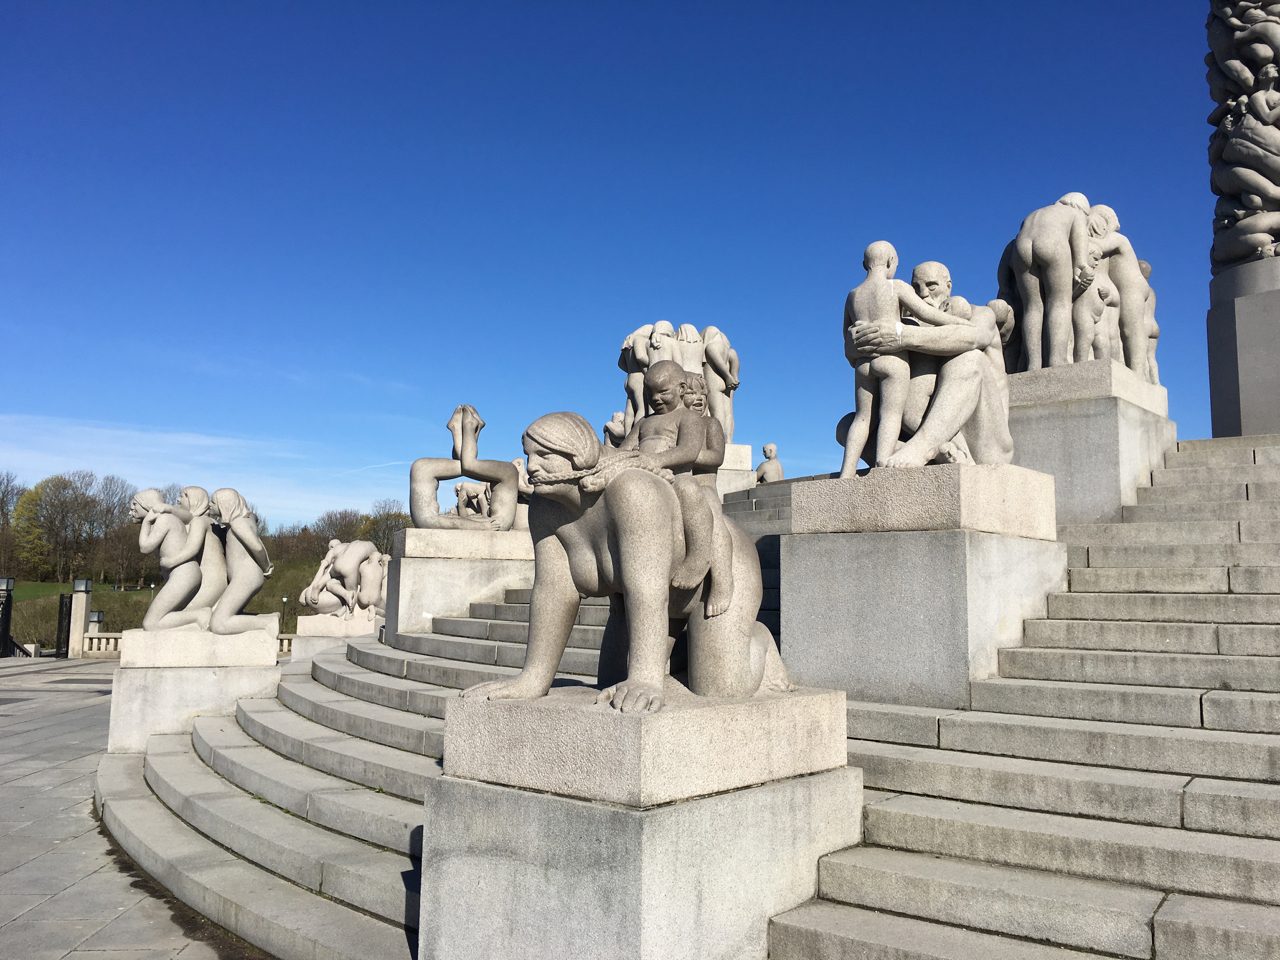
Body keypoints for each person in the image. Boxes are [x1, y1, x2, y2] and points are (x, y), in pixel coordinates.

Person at [838, 242, 971, 479]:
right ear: (891, 262)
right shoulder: (895, 287)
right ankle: (881, 464)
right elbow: (927, 313)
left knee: (862, 418)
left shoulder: (852, 295)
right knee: (891, 415)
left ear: (863, 264)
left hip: (863, 365)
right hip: (892, 362)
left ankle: (846, 473)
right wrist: (963, 324)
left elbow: (847, 341)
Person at [620, 361, 727, 608]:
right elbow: (623, 450)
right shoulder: (643, 423)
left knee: (688, 489)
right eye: (650, 393)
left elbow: (689, 451)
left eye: (663, 392)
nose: (655, 398)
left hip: (676, 478)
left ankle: (699, 556)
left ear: (679, 389)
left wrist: (655, 458)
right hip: (643, 475)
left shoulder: (689, 419)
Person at [1009, 193, 1096, 370]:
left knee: (1032, 307)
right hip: (1052, 243)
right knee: (1060, 303)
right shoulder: (1075, 214)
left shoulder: (1036, 213)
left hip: (1021, 247)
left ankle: (1033, 364)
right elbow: (1080, 253)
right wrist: (1081, 265)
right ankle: (1057, 360)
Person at [131, 488, 203, 631]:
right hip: (183, 574)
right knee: (160, 618)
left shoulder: (165, 519)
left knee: (151, 623)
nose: (131, 511)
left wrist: (145, 523)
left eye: (134, 506)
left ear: (146, 505)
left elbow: (145, 547)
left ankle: (200, 615)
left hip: (184, 574)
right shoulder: (165, 519)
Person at [208, 488, 275, 636]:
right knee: (215, 614)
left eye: (213, 502)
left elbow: (257, 546)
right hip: (243, 578)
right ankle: (269, 618)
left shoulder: (239, 523)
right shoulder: (243, 520)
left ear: (225, 504)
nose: (210, 504)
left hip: (246, 578)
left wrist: (267, 567)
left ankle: (268, 623)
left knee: (219, 624)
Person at [701, 325, 740, 442]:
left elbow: (716, 360)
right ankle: (728, 440)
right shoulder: (730, 351)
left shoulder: (711, 346)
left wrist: (727, 376)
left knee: (716, 412)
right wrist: (733, 378)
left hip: (714, 380)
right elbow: (735, 364)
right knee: (728, 413)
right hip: (729, 384)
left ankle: (718, 441)